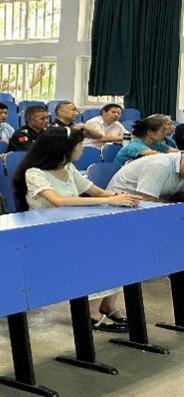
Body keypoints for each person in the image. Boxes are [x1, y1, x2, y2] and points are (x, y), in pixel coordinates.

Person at [12, 128, 140, 331]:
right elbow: (58, 201)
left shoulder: (69, 168)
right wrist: (109, 200)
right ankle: (91, 311)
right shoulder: (34, 173)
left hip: (73, 228)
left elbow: (96, 192)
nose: (82, 148)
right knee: (100, 253)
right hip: (46, 233)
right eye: (79, 145)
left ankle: (108, 304)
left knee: (122, 247)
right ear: (64, 148)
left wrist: (121, 197)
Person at [107, 151, 184, 202]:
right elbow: (146, 200)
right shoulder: (159, 165)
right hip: (117, 203)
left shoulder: (181, 168)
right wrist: (174, 205)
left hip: (146, 203)